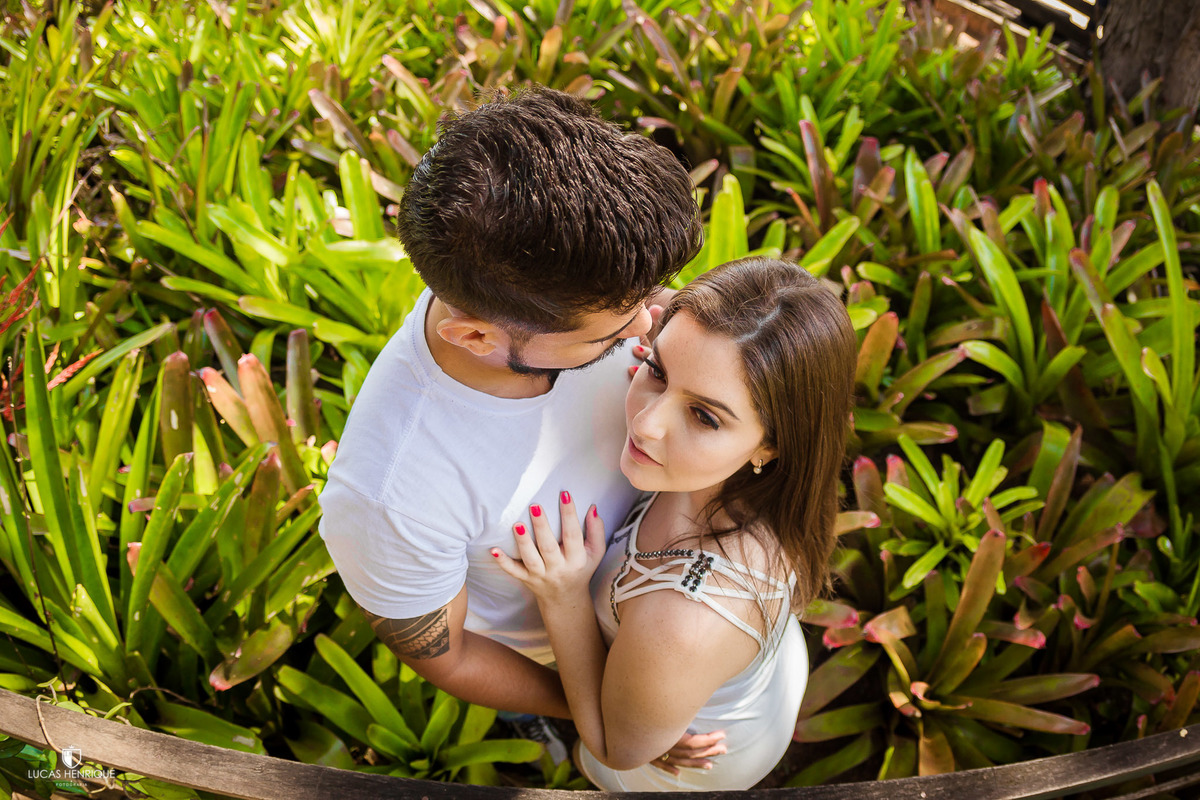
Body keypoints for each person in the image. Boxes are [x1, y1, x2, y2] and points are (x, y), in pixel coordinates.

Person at [317, 86, 723, 766]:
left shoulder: (561, 279)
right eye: (616, 332)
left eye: (645, 298)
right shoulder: (393, 494)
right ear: (475, 336)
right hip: (548, 651)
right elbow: (450, 657)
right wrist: (603, 704)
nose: (649, 329)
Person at [493, 256, 857, 790]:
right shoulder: (756, 479)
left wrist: (563, 596)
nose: (646, 422)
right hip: (720, 684)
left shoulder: (685, 624)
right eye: (657, 370)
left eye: (704, 415)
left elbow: (617, 748)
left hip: (693, 751)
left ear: (771, 445)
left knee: (584, 766)